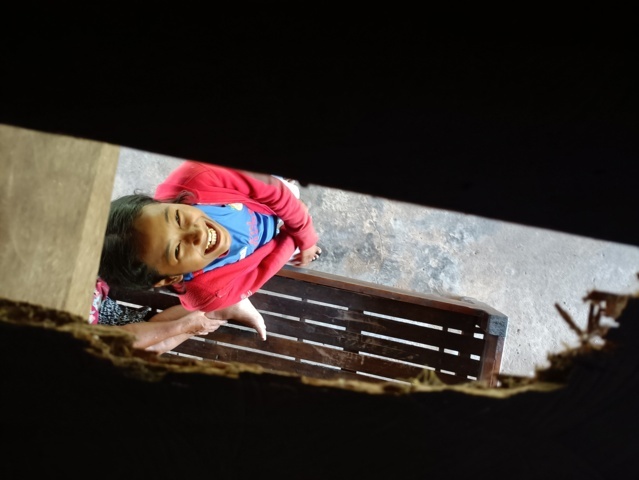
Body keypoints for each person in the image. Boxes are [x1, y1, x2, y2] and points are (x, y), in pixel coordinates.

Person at [98, 160, 322, 342]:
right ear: (171, 278)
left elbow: (275, 193)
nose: (197, 233)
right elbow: (263, 268)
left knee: (290, 193)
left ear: (161, 204)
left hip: (266, 200)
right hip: (268, 243)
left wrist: (305, 234)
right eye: (177, 250)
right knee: (294, 246)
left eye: (178, 218)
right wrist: (293, 239)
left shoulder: (197, 177)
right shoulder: (208, 295)